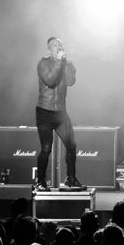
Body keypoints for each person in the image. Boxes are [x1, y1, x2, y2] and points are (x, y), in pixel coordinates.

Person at [35, 37, 83, 191]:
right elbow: (50, 80)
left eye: (60, 45)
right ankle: (41, 181)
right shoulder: (43, 63)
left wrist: (68, 66)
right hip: (45, 111)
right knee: (46, 148)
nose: (58, 47)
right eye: (55, 45)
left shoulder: (65, 63)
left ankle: (71, 178)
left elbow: (70, 82)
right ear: (49, 49)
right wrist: (59, 63)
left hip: (60, 113)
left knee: (71, 145)